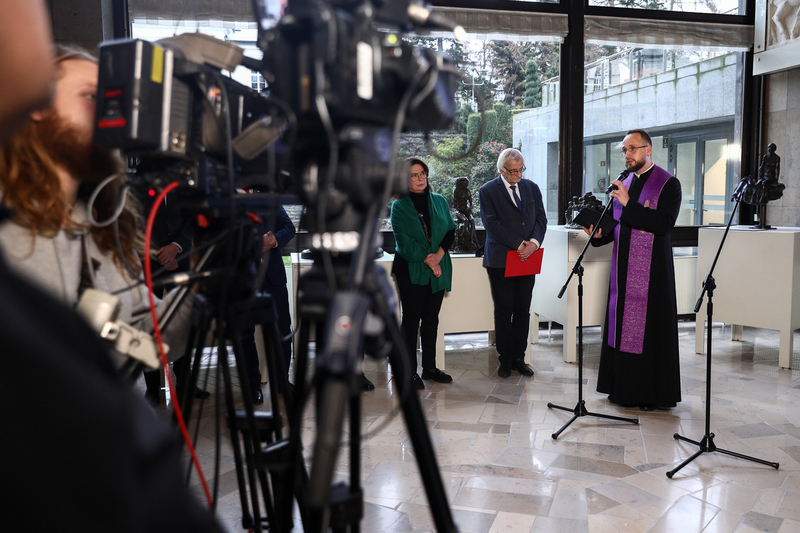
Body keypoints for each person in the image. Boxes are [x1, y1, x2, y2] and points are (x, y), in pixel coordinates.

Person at [0, 45, 193, 387]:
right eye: (91, 96)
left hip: (114, 434)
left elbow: (148, 349)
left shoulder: (105, 232)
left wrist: (202, 291)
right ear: (37, 108)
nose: (108, 115)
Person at [584, 128, 682, 411]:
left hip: (652, 274)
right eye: (624, 150)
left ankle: (650, 393)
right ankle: (622, 389)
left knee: (647, 332)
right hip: (623, 269)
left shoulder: (668, 184)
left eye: (632, 149)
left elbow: (663, 224)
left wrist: (627, 203)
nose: (627, 154)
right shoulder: (626, 181)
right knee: (622, 327)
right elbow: (619, 226)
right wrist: (599, 233)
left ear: (648, 150)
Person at [479, 148, 546, 378]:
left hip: (528, 257)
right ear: (502, 170)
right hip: (501, 259)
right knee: (504, 310)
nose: (518, 175)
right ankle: (505, 359)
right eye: (513, 171)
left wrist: (533, 244)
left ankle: (519, 357)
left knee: (522, 309)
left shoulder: (532, 188)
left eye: (520, 170)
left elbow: (541, 219)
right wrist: (519, 244)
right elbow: (492, 224)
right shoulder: (487, 190)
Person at [391, 158, 456, 390]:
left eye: (423, 173)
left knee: (431, 319)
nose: (420, 179)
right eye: (414, 175)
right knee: (410, 321)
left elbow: (450, 229)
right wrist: (431, 260)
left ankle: (429, 368)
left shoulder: (438, 200)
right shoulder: (398, 206)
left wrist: (438, 256)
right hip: (411, 269)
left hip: (437, 267)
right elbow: (404, 244)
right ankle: (407, 372)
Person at [239, 205, 296, 403]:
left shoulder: (267, 197)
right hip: (242, 279)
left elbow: (289, 227)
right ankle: (253, 385)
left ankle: (282, 381)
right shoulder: (228, 197)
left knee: (282, 330)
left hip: (273, 278)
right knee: (245, 333)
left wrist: (274, 241)